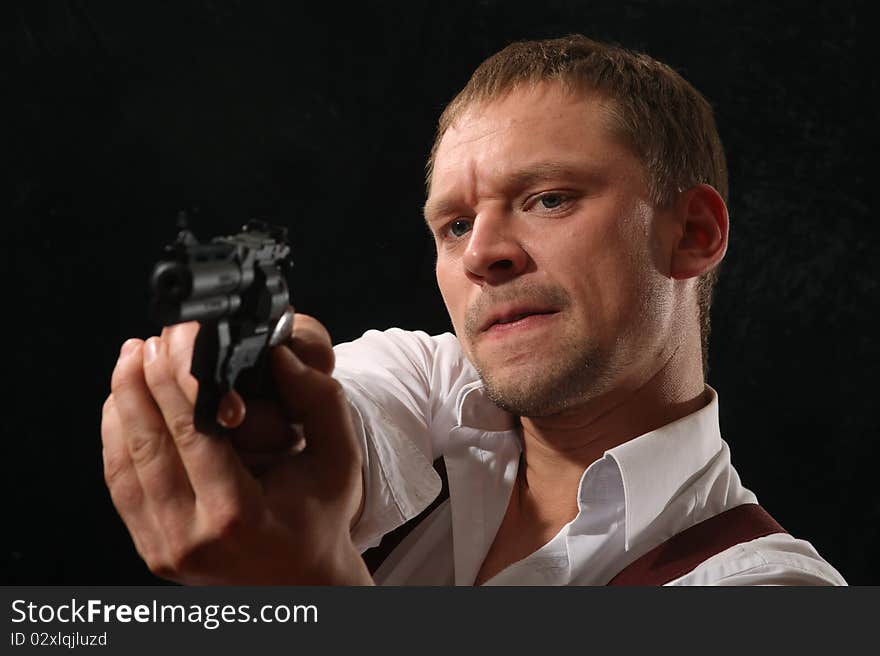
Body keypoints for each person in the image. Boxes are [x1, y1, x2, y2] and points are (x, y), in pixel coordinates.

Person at [101, 35, 846, 585]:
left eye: (548, 199)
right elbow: (331, 421)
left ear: (694, 234)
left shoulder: (771, 590)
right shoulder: (427, 382)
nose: (480, 253)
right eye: (454, 224)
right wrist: (261, 410)